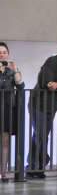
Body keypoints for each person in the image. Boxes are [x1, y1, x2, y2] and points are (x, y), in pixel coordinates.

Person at [27, 42, 57, 178]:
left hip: (52, 104)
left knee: (42, 135)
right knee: (40, 134)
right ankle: (34, 166)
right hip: (38, 102)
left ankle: (37, 166)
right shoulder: (52, 61)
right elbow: (48, 84)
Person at [0, 42, 24, 182]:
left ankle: (3, 172)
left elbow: (21, 86)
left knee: (5, 140)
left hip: (8, 107)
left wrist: (15, 70)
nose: (2, 54)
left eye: (4, 52)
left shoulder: (11, 69)